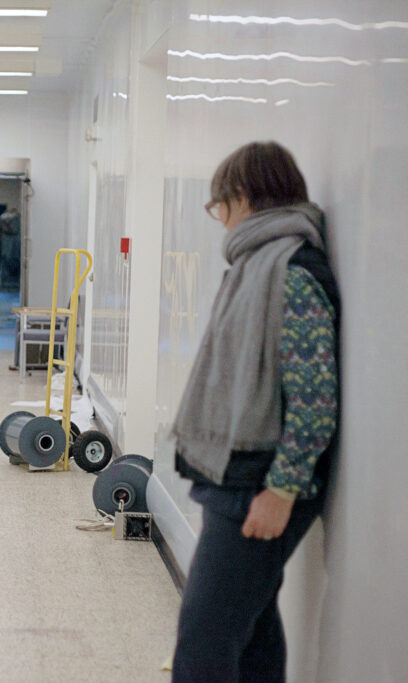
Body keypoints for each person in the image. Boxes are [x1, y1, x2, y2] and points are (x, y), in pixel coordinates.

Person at [170, 141, 340, 682]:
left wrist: (282, 489)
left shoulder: (290, 271)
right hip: (238, 475)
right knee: (253, 641)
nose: (220, 222)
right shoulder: (258, 265)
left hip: (259, 483)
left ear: (243, 198)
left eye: (220, 206)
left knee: (203, 649)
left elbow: (315, 400)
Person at [0, 207, 21, 289]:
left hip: (5, 248)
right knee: (16, 265)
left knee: (5, 265)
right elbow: (14, 230)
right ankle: (14, 283)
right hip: (16, 247)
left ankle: (4, 283)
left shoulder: (2, 219)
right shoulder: (18, 219)